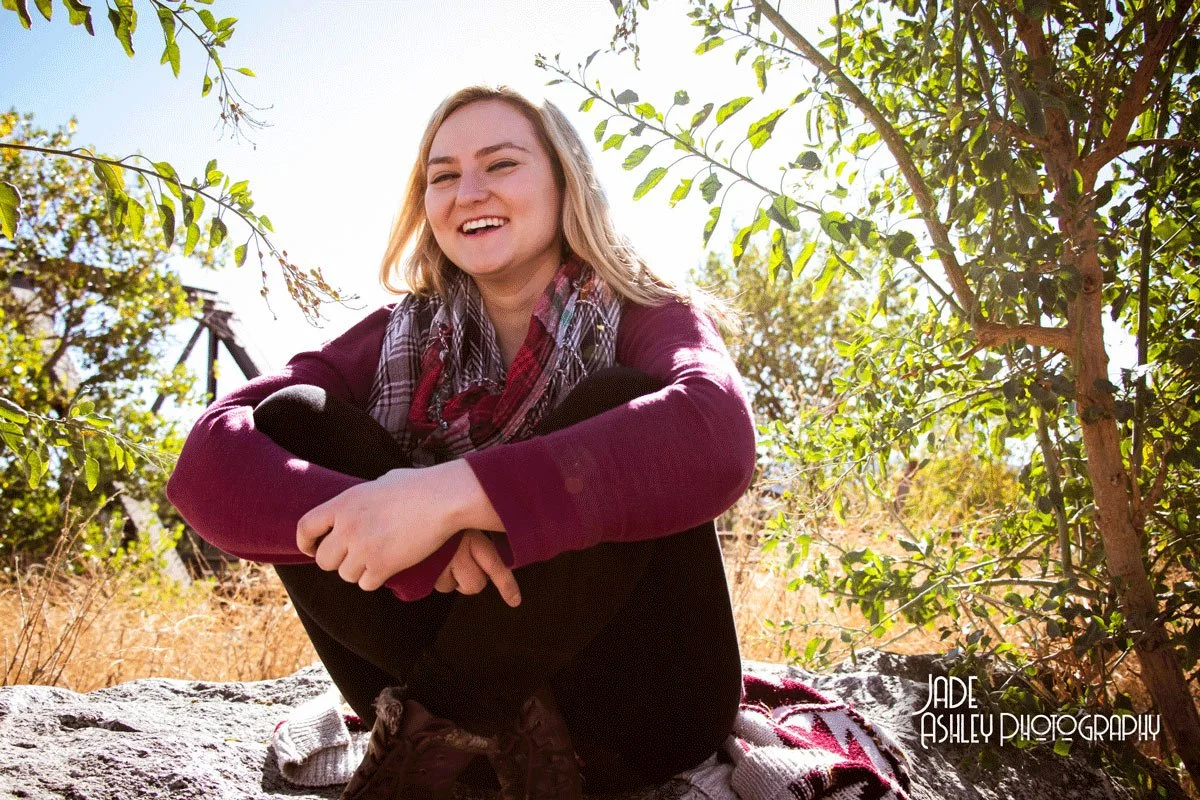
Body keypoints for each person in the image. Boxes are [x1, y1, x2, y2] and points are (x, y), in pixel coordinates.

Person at [166, 85, 756, 800]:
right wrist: (424, 539)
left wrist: (448, 498)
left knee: (620, 402)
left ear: (566, 183)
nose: (467, 192)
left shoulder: (646, 312)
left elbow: (716, 432)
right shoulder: (397, 335)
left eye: (501, 165)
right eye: (443, 176)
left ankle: (443, 729)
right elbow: (206, 463)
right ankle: (472, 730)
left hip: (636, 714)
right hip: (433, 710)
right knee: (295, 417)